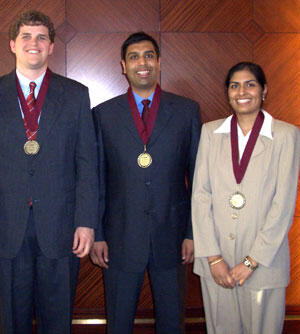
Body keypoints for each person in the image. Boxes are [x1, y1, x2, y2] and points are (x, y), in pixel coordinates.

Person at [0, 10, 98, 334]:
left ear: (52, 46)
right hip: (3, 230)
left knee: (58, 322)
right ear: (12, 44)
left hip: (60, 226)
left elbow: (86, 163)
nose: (33, 43)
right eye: (26, 36)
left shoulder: (76, 94)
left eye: (41, 36)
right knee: (11, 322)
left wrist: (85, 221)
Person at [89, 31, 201, 334]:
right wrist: (97, 233)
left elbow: (199, 179)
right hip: (119, 237)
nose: (143, 62)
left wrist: (193, 232)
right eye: (134, 56)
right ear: (123, 66)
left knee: (172, 322)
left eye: (149, 55)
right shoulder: (102, 115)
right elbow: (95, 179)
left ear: (159, 62)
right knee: (119, 321)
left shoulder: (187, 111)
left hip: (173, 236)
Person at [192, 62, 300, 334]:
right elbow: (201, 196)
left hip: (264, 262)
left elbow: (283, 205)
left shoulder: (286, 135)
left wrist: (252, 261)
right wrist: (213, 258)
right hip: (217, 263)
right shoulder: (210, 132)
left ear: (264, 91)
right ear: (227, 92)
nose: (242, 91)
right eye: (234, 85)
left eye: (250, 84)